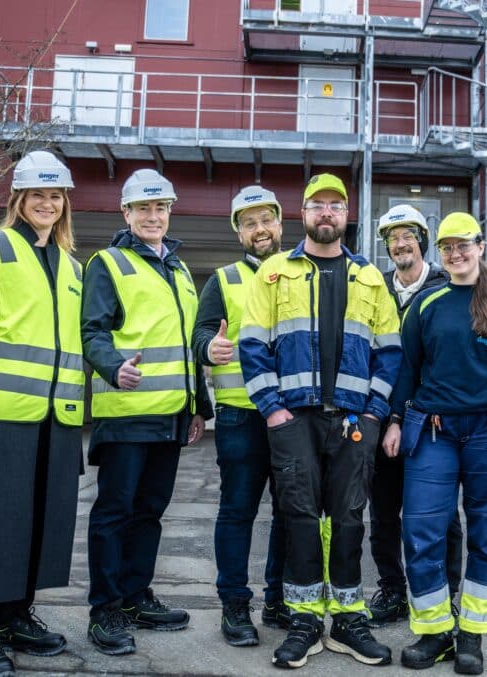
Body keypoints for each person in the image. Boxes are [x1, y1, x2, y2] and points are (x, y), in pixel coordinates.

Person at [239, 173, 402, 669]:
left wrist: (374, 413)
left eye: (335, 205)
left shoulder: (369, 277)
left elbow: (390, 352)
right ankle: (305, 620)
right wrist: (274, 410)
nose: (326, 212)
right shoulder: (274, 273)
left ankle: (349, 619)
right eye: (317, 205)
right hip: (295, 418)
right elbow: (252, 345)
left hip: (354, 420)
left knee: (350, 517)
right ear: (304, 213)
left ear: (346, 215)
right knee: (299, 516)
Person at [0, 150, 85, 676]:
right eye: (37, 195)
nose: (47, 204)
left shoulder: (72, 266)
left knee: (36, 523)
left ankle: (14, 615)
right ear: (19, 200)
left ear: (64, 202)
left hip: (56, 417)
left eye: (55, 196)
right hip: (0, 413)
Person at [381, 212, 487, 674]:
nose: (456, 253)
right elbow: (408, 368)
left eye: (464, 244)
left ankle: (471, 634)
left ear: (480, 246)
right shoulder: (427, 304)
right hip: (433, 430)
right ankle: (434, 632)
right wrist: (395, 420)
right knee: (421, 530)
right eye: (447, 247)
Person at [81, 169, 212, 656]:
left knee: (149, 513)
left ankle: (136, 597)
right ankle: (105, 609)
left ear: (169, 211)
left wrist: (198, 406)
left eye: (161, 208)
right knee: (114, 512)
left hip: (171, 414)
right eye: (144, 208)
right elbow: (92, 331)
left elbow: (187, 345)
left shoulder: (179, 270)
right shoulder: (108, 263)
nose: (153, 216)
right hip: (127, 412)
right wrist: (113, 367)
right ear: (127, 213)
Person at [192, 185, 290, 646]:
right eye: (249, 223)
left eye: (266, 220)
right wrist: (208, 347)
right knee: (237, 512)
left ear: (280, 223)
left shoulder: (301, 273)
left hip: (291, 416)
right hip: (241, 416)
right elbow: (199, 335)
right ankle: (234, 605)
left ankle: (279, 599)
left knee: (290, 513)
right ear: (238, 232)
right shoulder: (223, 279)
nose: (260, 229)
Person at [366, 205, 464, 627]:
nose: (400, 244)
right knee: (383, 513)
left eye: (408, 236)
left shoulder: (448, 287)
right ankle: (392, 590)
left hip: (433, 422)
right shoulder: (374, 288)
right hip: (382, 416)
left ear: (422, 241)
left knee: (441, 515)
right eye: (393, 238)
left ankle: (445, 593)